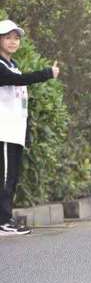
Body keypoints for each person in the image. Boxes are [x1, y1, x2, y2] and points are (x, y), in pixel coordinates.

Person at [0, 20, 59, 235]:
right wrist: (46, 73)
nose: (13, 42)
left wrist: (25, 135)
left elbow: (20, 104)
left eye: (16, 38)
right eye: (8, 37)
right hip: (3, 132)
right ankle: (3, 222)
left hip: (13, 132)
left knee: (12, 177)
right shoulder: (1, 67)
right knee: (5, 178)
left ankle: (6, 219)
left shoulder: (12, 65)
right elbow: (20, 81)